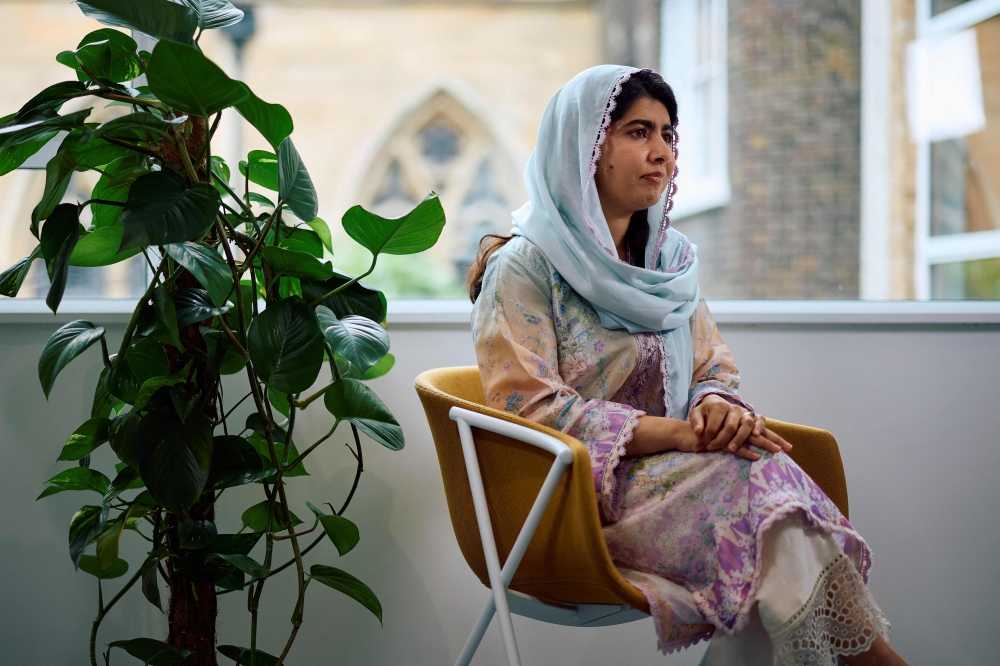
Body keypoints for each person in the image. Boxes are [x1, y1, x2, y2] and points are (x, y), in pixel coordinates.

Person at [467, 65, 908, 666]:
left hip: (681, 481)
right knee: (753, 487)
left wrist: (715, 409)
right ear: (587, 148)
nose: (662, 153)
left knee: (759, 488)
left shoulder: (667, 266)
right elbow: (533, 413)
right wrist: (684, 434)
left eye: (669, 135)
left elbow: (712, 369)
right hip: (576, 504)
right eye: (638, 132)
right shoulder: (524, 267)